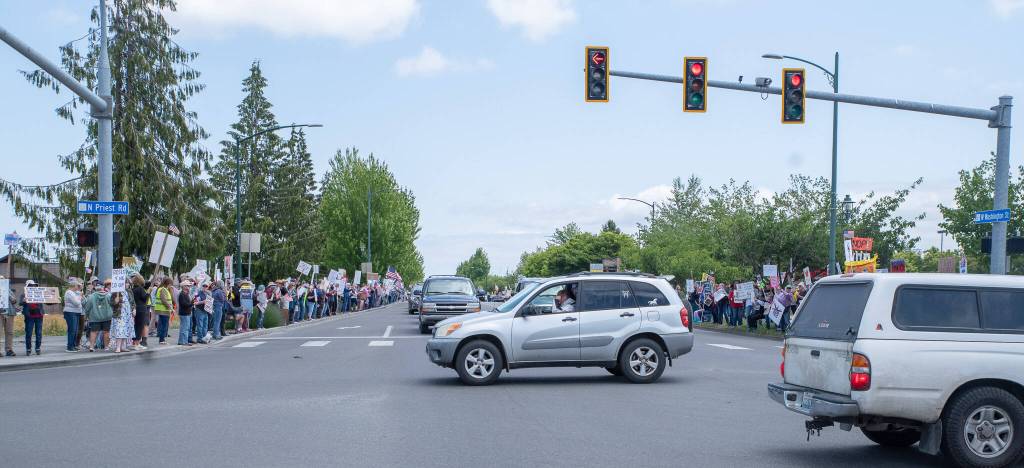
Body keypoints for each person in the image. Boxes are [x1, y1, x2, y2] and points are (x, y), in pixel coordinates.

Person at [83, 279, 115, 352]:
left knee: (94, 332)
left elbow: (87, 308)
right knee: (106, 332)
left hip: (94, 317)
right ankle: (106, 347)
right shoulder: (108, 295)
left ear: (95, 288)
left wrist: (86, 316)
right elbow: (113, 305)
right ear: (103, 287)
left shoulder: (91, 297)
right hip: (107, 317)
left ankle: (91, 347)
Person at [19, 279, 45, 356]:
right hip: (29, 316)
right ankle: (28, 349)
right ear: (27, 287)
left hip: (39, 315)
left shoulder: (39, 293)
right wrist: (24, 301)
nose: (32, 287)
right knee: (29, 333)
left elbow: (48, 300)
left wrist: (55, 299)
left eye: (33, 286)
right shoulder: (23, 295)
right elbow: (20, 303)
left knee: (39, 333)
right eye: (30, 286)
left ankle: (38, 348)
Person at [110, 282, 133, 353]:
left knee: (125, 329)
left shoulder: (129, 291)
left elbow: (132, 301)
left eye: (128, 283)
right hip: (119, 313)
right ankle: (118, 347)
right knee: (120, 330)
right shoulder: (116, 292)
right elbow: (111, 303)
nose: (128, 284)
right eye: (126, 283)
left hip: (127, 313)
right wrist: (115, 302)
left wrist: (133, 308)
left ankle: (123, 346)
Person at [63, 279, 84, 352]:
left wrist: (80, 288)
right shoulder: (69, 293)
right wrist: (80, 297)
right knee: (72, 330)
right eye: (77, 285)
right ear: (74, 286)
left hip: (76, 312)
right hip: (71, 312)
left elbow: (81, 296)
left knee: (75, 330)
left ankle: (74, 345)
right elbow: (77, 303)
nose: (78, 287)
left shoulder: (75, 293)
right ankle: (70, 346)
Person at [153, 277, 174, 345]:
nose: (171, 286)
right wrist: (171, 308)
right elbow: (164, 300)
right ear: (168, 284)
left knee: (163, 325)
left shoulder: (163, 289)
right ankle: (162, 340)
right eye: (170, 284)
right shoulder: (163, 289)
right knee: (164, 325)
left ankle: (162, 339)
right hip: (164, 310)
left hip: (163, 310)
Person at [131, 275, 150, 350]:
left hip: (136, 308)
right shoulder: (140, 289)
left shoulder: (133, 289)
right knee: (140, 326)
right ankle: (137, 343)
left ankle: (135, 342)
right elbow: (145, 299)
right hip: (141, 308)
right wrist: (148, 293)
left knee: (136, 325)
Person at [1, 276, 16, 357]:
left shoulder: (9, 290)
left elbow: (14, 300)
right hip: (0, 313)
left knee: (9, 332)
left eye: (3, 280)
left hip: (10, 312)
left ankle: (9, 349)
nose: (2, 281)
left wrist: (10, 296)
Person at [176, 280, 193, 346]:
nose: (189, 287)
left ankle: (182, 341)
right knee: (185, 328)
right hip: (184, 313)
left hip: (186, 313)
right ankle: (183, 342)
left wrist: (191, 302)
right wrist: (191, 303)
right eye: (188, 286)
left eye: (189, 286)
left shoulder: (185, 294)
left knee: (185, 328)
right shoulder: (182, 294)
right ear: (184, 286)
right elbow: (184, 304)